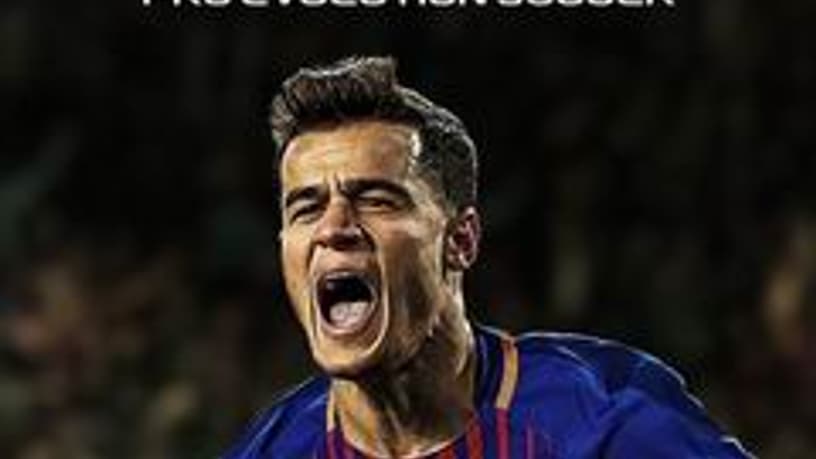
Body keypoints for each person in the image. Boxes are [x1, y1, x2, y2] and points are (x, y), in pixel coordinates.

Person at [224, 56, 751, 459]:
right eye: (306, 208)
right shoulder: (274, 449)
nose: (334, 228)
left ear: (461, 240)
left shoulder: (607, 421)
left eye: (376, 200)